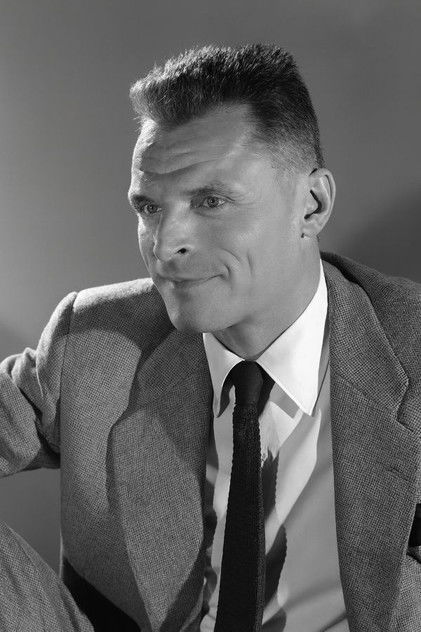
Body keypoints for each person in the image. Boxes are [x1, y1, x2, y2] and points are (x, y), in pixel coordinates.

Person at [0, 43, 420, 632]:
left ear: (312, 205)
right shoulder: (93, 342)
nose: (165, 242)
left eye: (211, 201)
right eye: (149, 208)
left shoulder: (409, 344)